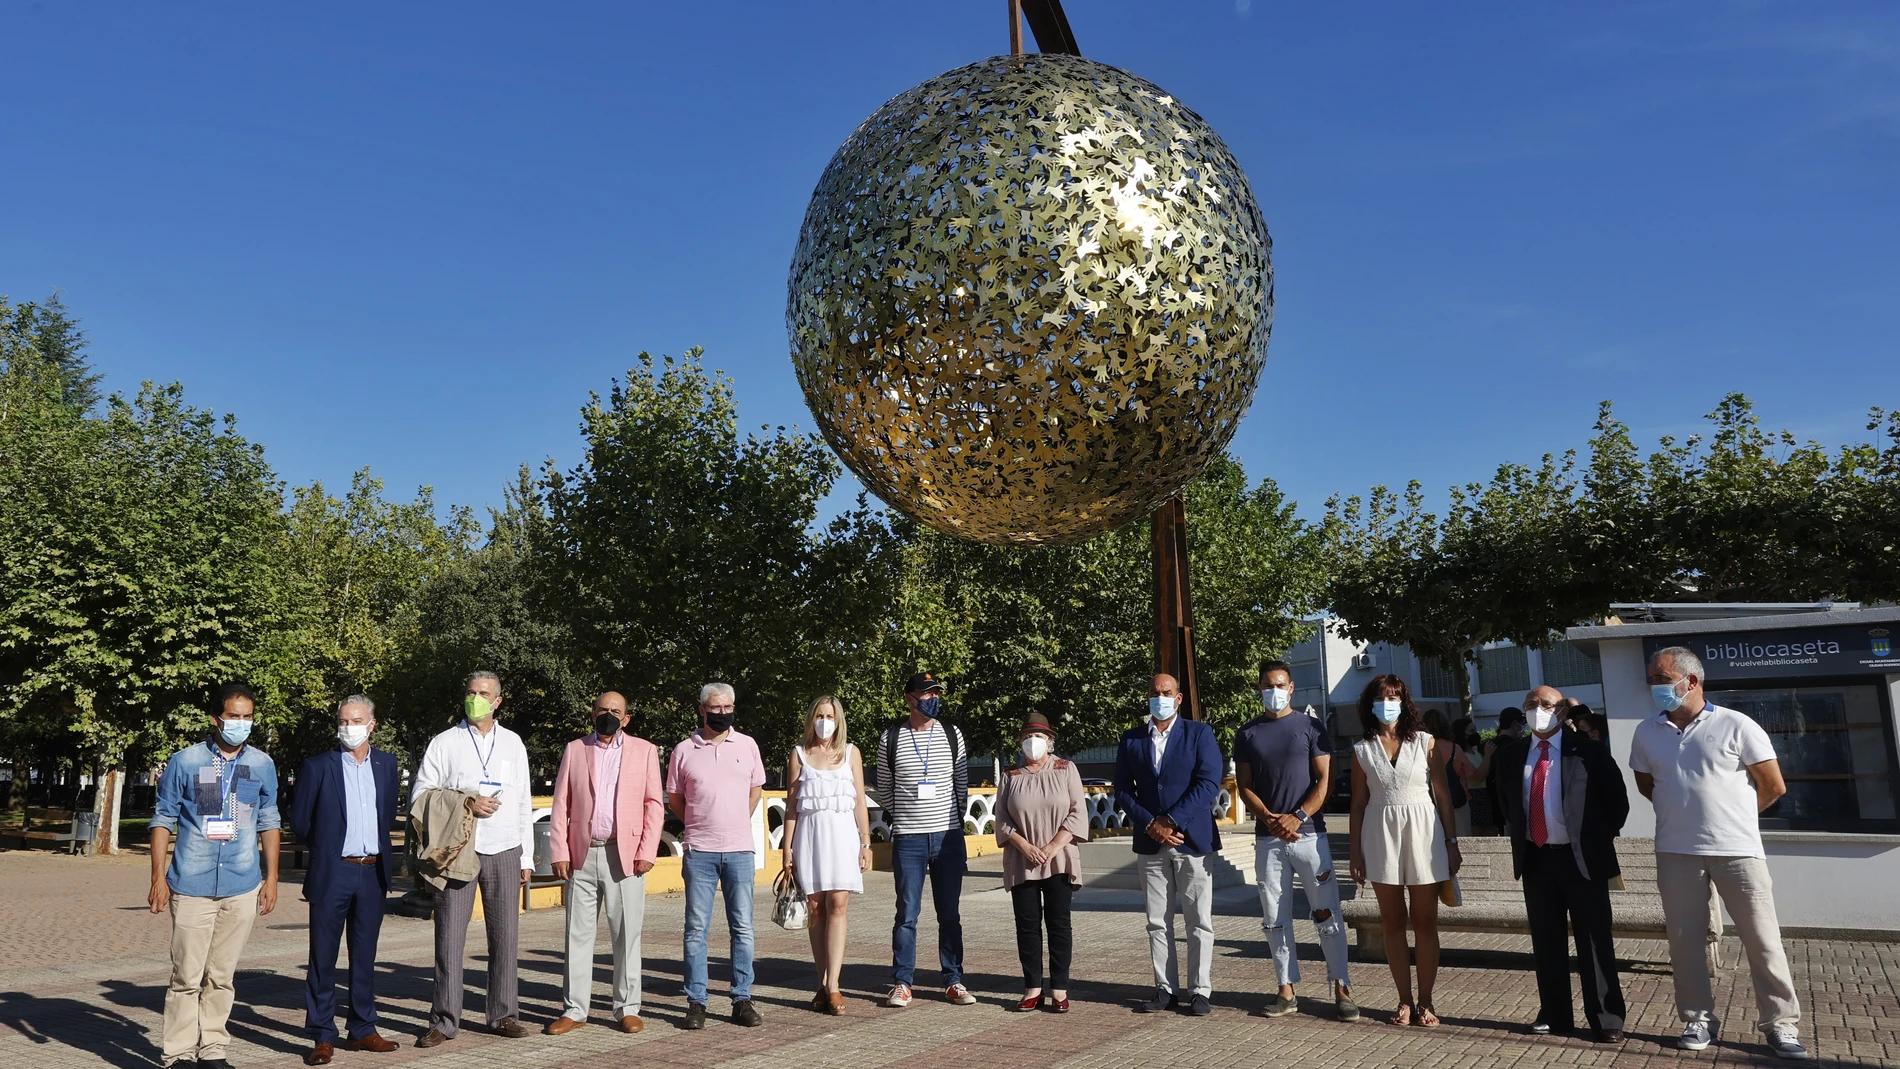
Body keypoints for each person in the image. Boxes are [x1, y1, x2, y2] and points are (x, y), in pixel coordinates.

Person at [1632, 647, 1807, 1059]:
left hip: (1738, 852)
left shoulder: (1736, 724)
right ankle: (1698, 1018)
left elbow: (1773, 786)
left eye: (1661, 678)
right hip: (1676, 851)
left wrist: (1734, 819)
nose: (1653, 686)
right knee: (1684, 941)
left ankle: (1781, 1024)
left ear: (1690, 681)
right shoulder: (1646, 731)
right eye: (1652, 679)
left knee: (1763, 940)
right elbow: (1647, 784)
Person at [149, 684, 282, 1069]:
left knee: (222, 976)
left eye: (247, 717)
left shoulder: (261, 764)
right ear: (216, 718)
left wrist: (271, 878)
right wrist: (158, 876)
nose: (240, 723)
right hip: (191, 883)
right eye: (233, 716)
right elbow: (163, 819)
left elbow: (269, 820)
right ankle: (178, 1054)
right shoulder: (186, 761)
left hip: (242, 884)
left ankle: (212, 1050)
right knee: (186, 976)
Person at [1492, 685, 1630, 1042]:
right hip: (1536, 858)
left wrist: (1594, 840)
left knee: (1594, 939)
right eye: (1531, 704)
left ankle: (1606, 1017)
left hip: (1581, 858)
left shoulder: (1588, 751)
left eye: (1547, 704)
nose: (1538, 709)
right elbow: (1507, 806)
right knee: (1546, 940)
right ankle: (1554, 1014)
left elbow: (1617, 804)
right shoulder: (1510, 755)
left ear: (1562, 713)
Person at [411, 671, 534, 1046]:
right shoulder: (445, 742)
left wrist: (526, 855)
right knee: (449, 937)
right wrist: (465, 800)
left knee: (505, 937)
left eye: (483, 693)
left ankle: (503, 1015)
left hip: (505, 848)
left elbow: (524, 800)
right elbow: (421, 794)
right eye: (470, 692)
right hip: (458, 851)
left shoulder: (513, 743)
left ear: (498, 701)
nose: (475, 698)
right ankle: (445, 1020)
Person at [1234, 661, 1355, 1021]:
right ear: (1259, 689)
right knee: (1274, 917)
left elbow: (1324, 780)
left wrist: (1297, 816)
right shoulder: (1247, 733)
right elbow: (1244, 786)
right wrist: (1270, 819)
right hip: (1268, 839)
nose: (1274, 691)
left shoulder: (1310, 726)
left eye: (1280, 684)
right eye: (1267, 685)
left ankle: (1341, 987)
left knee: (1326, 913)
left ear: (1292, 687)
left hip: (1310, 836)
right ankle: (1286, 989)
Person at [289, 696, 401, 1065]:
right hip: (333, 870)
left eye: (356, 720)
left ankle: (363, 1028)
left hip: (372, 871)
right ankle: (322, 1035)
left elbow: (387, 815)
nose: (348, 727)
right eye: (342, 720)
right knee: (323, 956)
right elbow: (301, 822)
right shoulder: (317, 766)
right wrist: (328, 848)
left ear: (371, 724)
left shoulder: (386, 765)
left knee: (364, 955)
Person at [546, 691, 665, 1035]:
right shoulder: (575, 749)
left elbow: (654, 805)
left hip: (624, 855)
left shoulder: (644, 751)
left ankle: (626, 1007)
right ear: (593, 713)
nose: (608, 715)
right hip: (582, 853)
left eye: (616, 711)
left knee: (626, 934)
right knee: (577, 935)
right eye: (603, 710)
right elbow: (561, 803)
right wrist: (559, 851)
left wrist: (647, 851)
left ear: (626, 718)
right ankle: (574, 1009)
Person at [1348, 674, 1461, 1028]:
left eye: (1394, 697)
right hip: (1380, 836)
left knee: (1425, 922)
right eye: (1381, 698)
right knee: (1392, 924)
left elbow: (1443, 796)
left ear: (1404, 701)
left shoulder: (1427, 743)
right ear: (1370, 704)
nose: (1388, 704)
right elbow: (1357, 805)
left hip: (1424, 834)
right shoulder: (1361, 750)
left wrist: (1452, 843)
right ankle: (1404, 1001)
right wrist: (1355, 854)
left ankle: (1426, 1000)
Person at [1114, 673, 1225, 1017]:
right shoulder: (1131, 739)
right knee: (1157, 922)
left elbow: (1208, 783)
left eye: (1167, 692)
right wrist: (1151, 824)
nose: (1159, 697)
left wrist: (1171, 821)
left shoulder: (1199, 734)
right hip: (1150, 843)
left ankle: (1200, 990)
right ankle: (1165, 989)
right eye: (1154, 692)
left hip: (1192, 840)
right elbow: (1121, 790)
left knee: (1198, 920)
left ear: (1178, 699)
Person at [873, 672, 976, 1008]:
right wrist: (908, 815)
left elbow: (961, 783)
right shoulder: (890, 738)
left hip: (947, 836)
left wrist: (946, 816)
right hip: (909, 839)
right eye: (926, 694)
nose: (933, 698)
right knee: (907, 913)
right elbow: (885, 790)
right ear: (909, 699)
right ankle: (903, 982)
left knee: (950, 913)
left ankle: (954, 979)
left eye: (936, 693)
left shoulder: (952, 734)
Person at [668, 682, 767, 1030]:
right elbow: (676, 799)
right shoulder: (683, 750)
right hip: (699, 850)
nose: (722, 713)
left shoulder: (748, 745)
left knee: (743, 927)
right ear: (701, 709)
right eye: (715, 707)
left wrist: (735, 818)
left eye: (727, 707)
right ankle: (697, 1001)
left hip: (740, 849)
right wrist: (700, 821)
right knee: (696, 929)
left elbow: (756, 789)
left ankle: (742, 998)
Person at [781, 695, 872, 1015]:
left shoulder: (851, 753)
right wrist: (786, 849)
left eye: (830, 716)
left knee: (839, 903)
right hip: (809, 836)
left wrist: (866, 843)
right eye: (819, 715)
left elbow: (860, 800)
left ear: (839, 720)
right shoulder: (798, 755)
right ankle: (822, 982)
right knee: (815, 908)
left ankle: (834, 985)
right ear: (811, 718)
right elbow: (791, 807)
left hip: (843, 836)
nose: (824, 721)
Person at [994, 712, 1088, 1013]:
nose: (1033, 742)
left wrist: (1050, 846)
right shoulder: (1010, 776)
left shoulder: (1065, 769)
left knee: (1059, 924)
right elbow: (1003, 820)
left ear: (1049, 741)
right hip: (1023, 860)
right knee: (1027, 925)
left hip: (1058, 858)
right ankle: (1032, 986)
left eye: (1039, 737)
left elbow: (1077, 813)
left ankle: (1059, 987)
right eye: (1026, 737)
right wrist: (1024, 846)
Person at [1422, 710, 1471, 839]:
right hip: (1456, 798)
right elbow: (1471, 773)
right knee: (1462, 838)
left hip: (1428, 799)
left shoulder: (1420, 748)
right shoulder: (1454, 748)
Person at [1483, 709, 1527, 836]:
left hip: (1494, 799)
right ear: (1514, 723)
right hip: (1513, 801)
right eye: (1522, 723)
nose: (1523, 727)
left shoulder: (1490, 744)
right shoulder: (1515, 746)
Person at [1451, 717, 1490, 837]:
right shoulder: (1462, 754)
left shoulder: (1476, 752)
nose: (1476, 734)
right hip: (1472, 796)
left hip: (1484, 795)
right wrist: (1488, 755)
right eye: (1471, 731)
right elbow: (1479, 776)